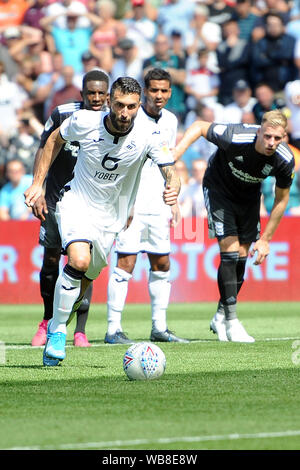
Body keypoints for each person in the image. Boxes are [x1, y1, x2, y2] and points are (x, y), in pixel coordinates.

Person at [24, 76, 180, 366]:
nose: (124, 113)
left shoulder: (149, 134)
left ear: (138, 105)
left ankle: (61, 321)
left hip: (112, 218)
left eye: (131, 107)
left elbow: (170, 169)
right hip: (76, 202)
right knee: (79, 261)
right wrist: (38, 183)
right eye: (119, 105)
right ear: (109, 101)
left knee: (86, 277)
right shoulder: (85, 121)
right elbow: (54, 139)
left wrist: (173, 186)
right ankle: (56, 330)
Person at [173, 109, 295, 343]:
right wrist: (177, 153)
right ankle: (232, 321)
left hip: (248, 197)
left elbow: (281, 200)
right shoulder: (235, 136)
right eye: (267, 136)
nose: (271, 143)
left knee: (241, 256)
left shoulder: (284, 160)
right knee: (229, 252)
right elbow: (199, 125)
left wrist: (266, 239)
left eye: (277, 138)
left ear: (284, 138)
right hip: (218, 189)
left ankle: (220, 315)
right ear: (259, 131)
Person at [105, 68, 188, 344]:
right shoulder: (129, 118)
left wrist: (173, 199)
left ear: (170, 92)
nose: (159, 95)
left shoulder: (172, 121)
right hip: (130, 203)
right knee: (126, 262)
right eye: (154, 90)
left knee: (162, 262)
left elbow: (167, 163)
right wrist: (122, 203)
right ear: (144, 92)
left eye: (164, 90)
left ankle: (159, 327)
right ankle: (113, 329)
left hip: (158, 203)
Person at [30, 69, 110, 349]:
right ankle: (47, 320)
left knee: (82, 263)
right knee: (52, 260)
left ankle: (80, 330)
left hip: (90, 203)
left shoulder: (114, 122)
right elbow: (44, 148)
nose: (97, 98)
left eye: (102, 93)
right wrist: (37, 187)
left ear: (109, 95)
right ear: (82, 94)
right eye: (91, 93)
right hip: (54, 199)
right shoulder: (63, 114)